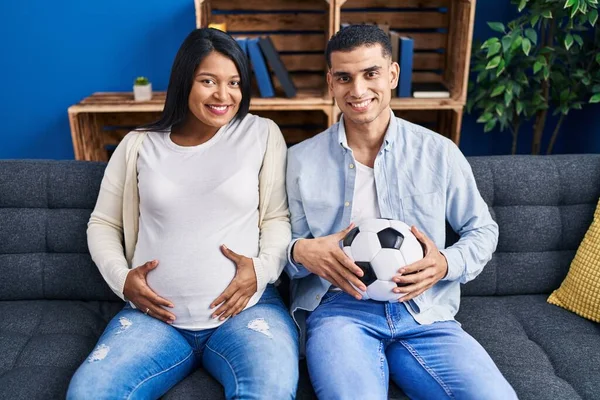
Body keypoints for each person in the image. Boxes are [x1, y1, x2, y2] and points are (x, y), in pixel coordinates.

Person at [285, 25, 517, 400]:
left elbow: (482, 229)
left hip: (425, 311)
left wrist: (445, 263)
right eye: (344, 77)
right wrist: (298, 252)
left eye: (370, 74)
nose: (357, 90)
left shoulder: (439, 152)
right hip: (341, 310)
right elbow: (282, 247)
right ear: (331, 82)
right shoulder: (298, 161)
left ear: (392, 75)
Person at [67, 28, 298, 400]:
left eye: (234, 82)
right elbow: (103, 223)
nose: (224, 95)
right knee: (90, 394)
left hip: (245, 314)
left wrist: (261, 271)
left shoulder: (262, 134)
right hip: (154, 319)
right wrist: (122, 279)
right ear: (184, 81)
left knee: (269, 392)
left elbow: (276, 218)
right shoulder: (139, 143)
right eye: (208, 81)